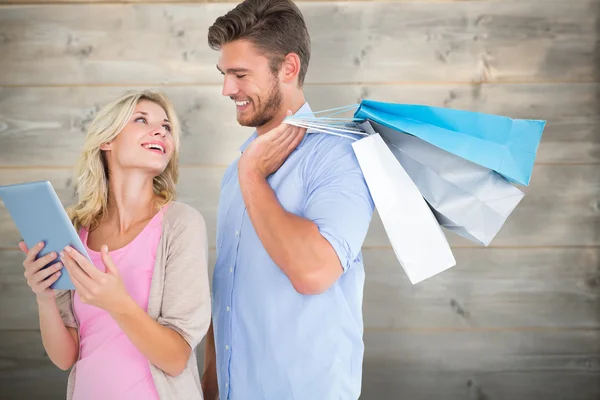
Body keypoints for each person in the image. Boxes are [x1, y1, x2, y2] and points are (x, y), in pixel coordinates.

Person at [201, 1, 375, 399]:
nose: (227, 89)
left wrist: (252, 177)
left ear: (289, 68)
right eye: (224, 74)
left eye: (240, 74)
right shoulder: (239, 168)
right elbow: (226, 291)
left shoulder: (340, 154)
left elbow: (314, 273)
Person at [19, 90, 211, 400]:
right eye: (141, 119)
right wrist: (44, 298)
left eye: (167, 126)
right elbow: (66, 356)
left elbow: (176, 359)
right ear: (107, 141)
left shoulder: (181, 225)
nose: (160, 130)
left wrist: (117, 303)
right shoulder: (76, 231)